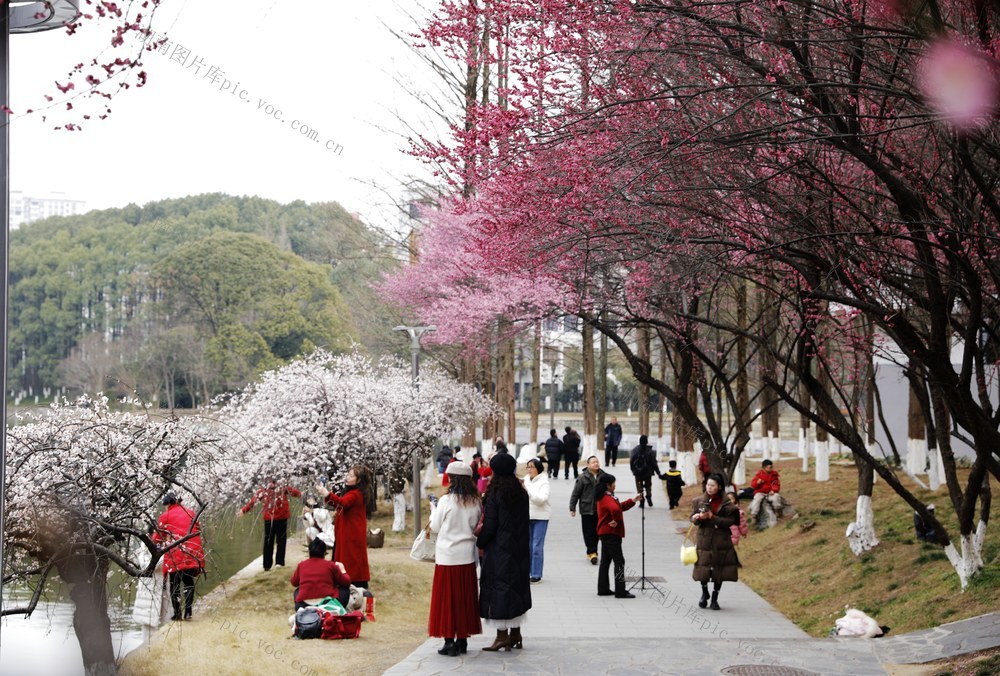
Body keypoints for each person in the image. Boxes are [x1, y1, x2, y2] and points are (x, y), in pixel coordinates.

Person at [477, 453, 531, 652]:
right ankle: (515, 634)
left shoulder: (495, 494)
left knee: (499, 588)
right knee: (515, 588)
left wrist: (480, 542)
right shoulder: (521, 492)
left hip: (499, 549)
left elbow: (490, 526)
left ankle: (502, 637)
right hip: (519, 548)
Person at [428, 461, 483, 657]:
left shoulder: (446, 501)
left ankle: (449, 641)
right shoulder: (476, 501)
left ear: (452, 478)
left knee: (447, 599)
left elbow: (434, 527)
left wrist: (433, 508)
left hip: (447, 555)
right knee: (464, 599)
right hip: (467, 554)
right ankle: (462, 640)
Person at [691, 473, 740, 610]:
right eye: (707, 485)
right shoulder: (698, 501)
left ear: (719, 487)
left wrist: (712, 517)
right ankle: (704, 592)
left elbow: (730, 522)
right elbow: (692, 519)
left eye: (712, 485)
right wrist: (697, 518)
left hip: (721, 540)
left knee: (720, 570)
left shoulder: (728, 504)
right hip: (704, 539)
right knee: (703, 568)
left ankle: (714, 598)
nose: (709, 488)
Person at [317, 465, 372, 588]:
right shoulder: (354, 492)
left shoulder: (355, 494)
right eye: (348, 474)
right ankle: (347, 581)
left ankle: (350, 582)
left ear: (359, 480)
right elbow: (340, 504)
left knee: (351, 559)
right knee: (348, 558)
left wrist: (328, 494)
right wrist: (327, 495)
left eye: (351, 476)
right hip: (347, 531)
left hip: (351, 533)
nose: (347, 477)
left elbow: (343, 502)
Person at [154, 491, 205, 621]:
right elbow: (197, 529)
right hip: (191, 551)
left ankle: (177, 614)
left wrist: (153, 544)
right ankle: (188, 612)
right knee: (188, 582)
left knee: (174, 584)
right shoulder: (191, 513)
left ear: (169, 503)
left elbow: (158, 537)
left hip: (175, 553)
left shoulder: (165, 516)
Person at [594, 473, 642, 598]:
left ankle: (603, 588)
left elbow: (618, 508)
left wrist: (633, 501)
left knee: (606, 561)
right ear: (607, 485)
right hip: (611, 533)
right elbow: (615, 510)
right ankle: (620, 591)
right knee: (619, 561)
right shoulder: (607, 498)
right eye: (613, 484)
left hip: (605, 532)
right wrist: (617, 520)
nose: (615, 486)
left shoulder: (605, 497)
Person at [238, 479, 301, 571]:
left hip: (269, 518)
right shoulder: (282, 486)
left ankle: (267, 565)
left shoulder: (264, 489)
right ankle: (279, 563)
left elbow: (254, 500)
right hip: (282, 517)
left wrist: (244, 510)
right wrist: (301, 494)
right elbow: (295, 492)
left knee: (268, 542)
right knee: (281, 541)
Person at [290, 538, 352, 610]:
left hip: (303, 605)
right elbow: (347, 582)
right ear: (324, 552)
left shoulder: (302, 565)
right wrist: (343, 570)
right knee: (345, 589)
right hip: (327, 603)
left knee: (298, 590)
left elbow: (294, 582)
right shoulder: (330, 565)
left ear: (309, 552)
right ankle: (337, 609)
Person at [569, 456, 606, 565]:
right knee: (588, 532)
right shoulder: (582, 478)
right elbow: (576, 493)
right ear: (588, 465)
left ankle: (592, 551)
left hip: (600, 509)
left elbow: (609, 492)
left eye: (597, 462)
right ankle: (592, 552)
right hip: (586, 509)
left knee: (598, 532)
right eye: (593, 462)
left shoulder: (604, 476)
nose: (596, 464)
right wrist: (572, 507)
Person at [522, 458, 551, 583]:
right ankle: (527, 572)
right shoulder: (524, 480)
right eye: (528, 467)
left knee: (536, 546)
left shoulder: (544, 482)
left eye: (532, 467)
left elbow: (541, 500)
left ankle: (536, 574)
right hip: (526, 516)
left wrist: (527, 492)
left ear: (538, 469)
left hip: (540, 517)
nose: (529, 469)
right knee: (527, 546)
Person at [629, 435, 663, 507]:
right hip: (648, 473)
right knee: (648, 486)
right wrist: (658, 473)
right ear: (647, 442)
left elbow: (631, 462)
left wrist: (633, 471)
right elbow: (654, 463)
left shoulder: (634, 450)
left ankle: (642, 501)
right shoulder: (651, 452)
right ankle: (649, 496)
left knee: (639, 487)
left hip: (638, 473)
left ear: (639, 441)